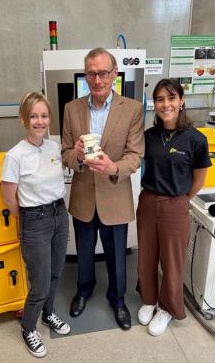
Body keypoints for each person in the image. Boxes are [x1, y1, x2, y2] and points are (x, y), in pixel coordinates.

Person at [62, 47, 144, 330]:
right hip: (84, 196)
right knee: (84, 252)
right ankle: (83, 290)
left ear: (114, 74)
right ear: (86, 76)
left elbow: (135, 155)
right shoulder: (71, 109)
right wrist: (78, 157)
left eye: (103, 73)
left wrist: (113, 169)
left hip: (115, 195)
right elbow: (65, 154)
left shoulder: (132, 109)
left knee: (117, 255)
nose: (97, 80)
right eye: (92, 74)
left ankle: (117, 300)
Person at [136, 78, 212, 336]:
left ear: (182, 101)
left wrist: (181, 200)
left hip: (176, 204)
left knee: (172, 260)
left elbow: (199, 179)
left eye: (171, 98)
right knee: (146, 255)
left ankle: (167, 308)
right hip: (147, 202)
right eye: (160, 99)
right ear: (154, 104)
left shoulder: (196, 139)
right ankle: (149, 299)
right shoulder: (149, 136)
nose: (165, 104)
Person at [1, 92, 70, 358]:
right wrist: (32, 217)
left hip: (59, 215)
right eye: (33, 116)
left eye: (44, 115)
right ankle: (28, 326)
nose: (39, 121)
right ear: (23, 119)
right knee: (40, 281)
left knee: (55, 273)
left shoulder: (54, 147)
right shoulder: (15, 156)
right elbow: (10, 199)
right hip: (34, 220)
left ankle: (49, 314)